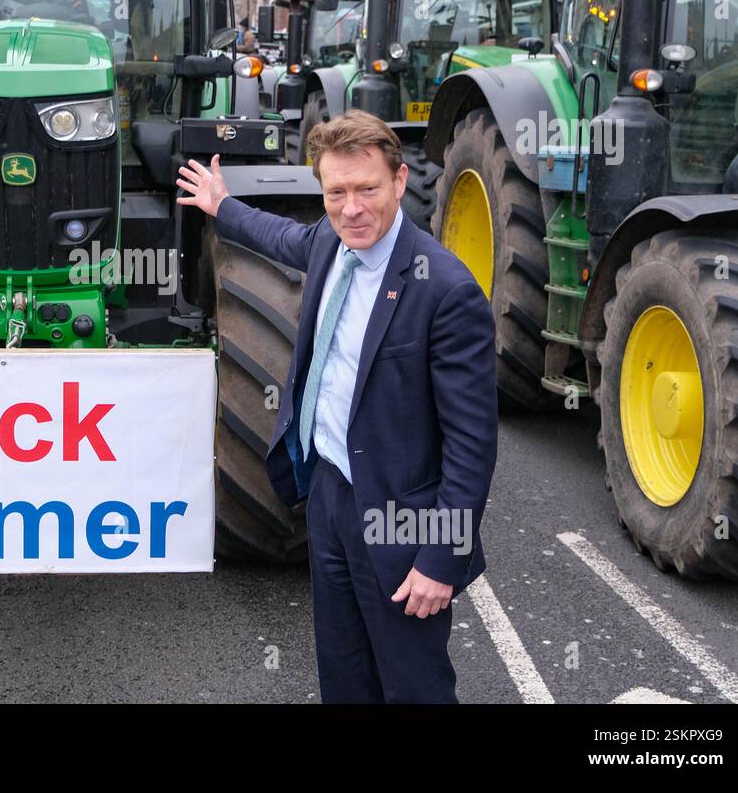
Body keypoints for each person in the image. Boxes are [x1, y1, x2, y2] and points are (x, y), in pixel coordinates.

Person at [176, 109, 497, 703]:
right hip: (330, 496)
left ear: (400, 182)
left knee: (414, 688)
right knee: (344, 678)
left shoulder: (446, 291)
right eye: (336, 192)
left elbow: (472, 445)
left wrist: (440, 561)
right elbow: (282, 237)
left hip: (404, 521)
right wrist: (223, 205)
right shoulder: (330, 241)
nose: (352, 208)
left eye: (368, 189)